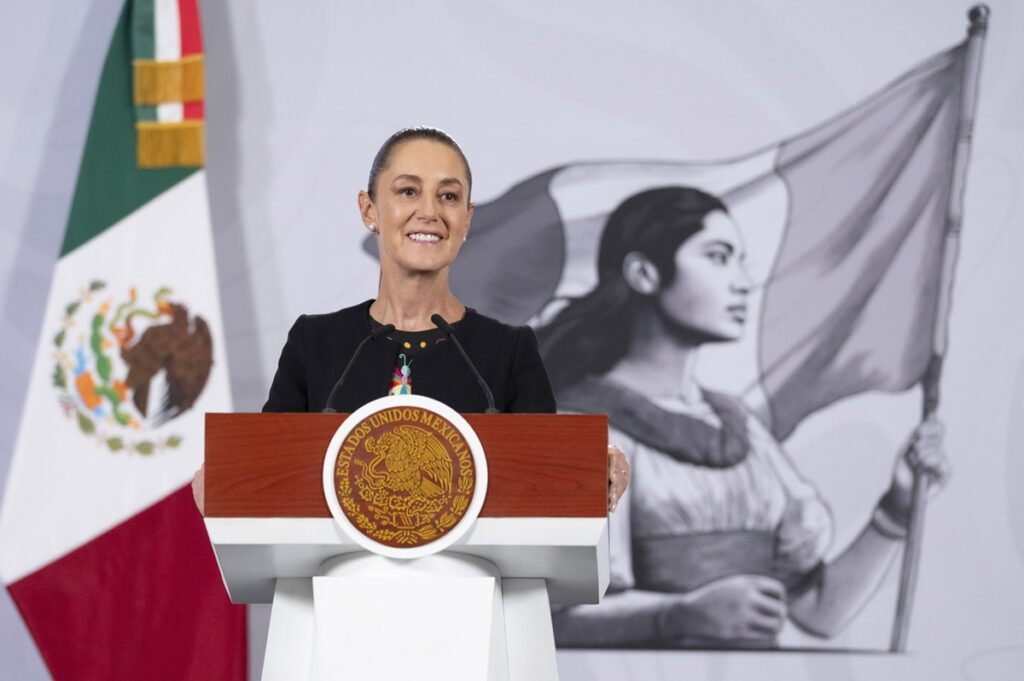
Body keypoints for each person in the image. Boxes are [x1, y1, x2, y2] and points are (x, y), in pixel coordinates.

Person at [540, 186, 949, 648]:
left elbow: (818, 613)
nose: (741, 281)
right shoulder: (572, 426)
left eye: (739, 260)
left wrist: (896, 509)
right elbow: (547, 622)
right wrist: (677, 616)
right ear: (644, 273)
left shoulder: (743, 429)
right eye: (718, 257)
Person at [192, 127, 629, 513]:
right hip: (340, 598)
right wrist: (225, 478)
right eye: (407, 191)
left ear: (467, 220)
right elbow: (268, 470)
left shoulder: (509, 351)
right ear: (369, 211)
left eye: (449, 196)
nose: (429, 211)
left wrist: (592, 465)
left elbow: (548, 481)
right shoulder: (316, 342)